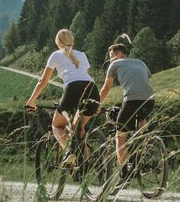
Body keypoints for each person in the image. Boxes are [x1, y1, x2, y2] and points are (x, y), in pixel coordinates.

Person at [26, 29, 100, 163]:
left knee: (57, 126)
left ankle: (70, 153)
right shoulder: (82, 55)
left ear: (57, 42)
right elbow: (84, 77)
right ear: (72, 41)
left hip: (73, 89)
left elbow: (43, 82)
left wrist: (31, 101)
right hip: (92, 89)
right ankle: (86, 164)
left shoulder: (55, 55)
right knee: (79, 128)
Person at [98, 42, 154, 170]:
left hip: (131, 101)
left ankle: (124, 172)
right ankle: (146, 147)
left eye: (111, 55)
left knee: (120, 136)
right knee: (141, 118)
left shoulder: (115, 64)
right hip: (149, 100)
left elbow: (106, 88)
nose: (110, 59)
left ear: (119, 54)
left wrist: (97, 104)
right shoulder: (140, 62)